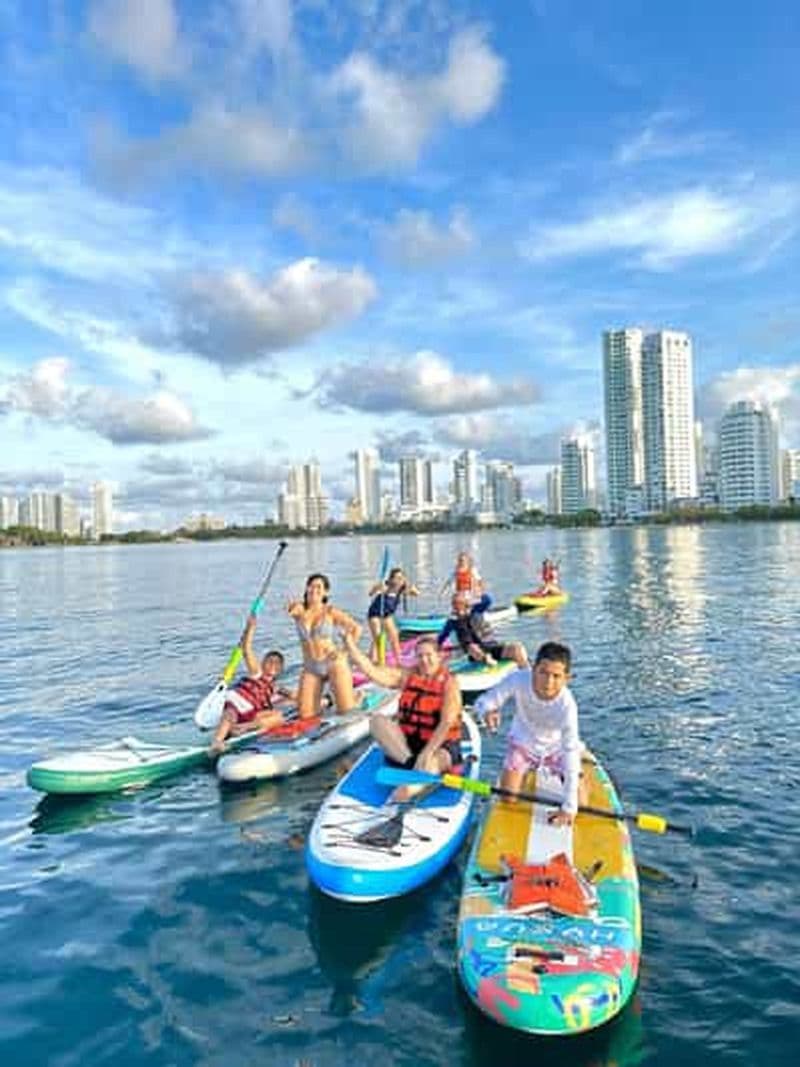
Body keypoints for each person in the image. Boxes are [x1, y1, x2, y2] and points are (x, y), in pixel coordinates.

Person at [473, 641, 585, 826]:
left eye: (556, 676)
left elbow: (569, 753)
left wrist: (569, 809)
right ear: (533, 669)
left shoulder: (567, 706)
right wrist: (487, 711)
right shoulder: (518, 679)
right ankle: (523, 771)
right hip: (523, 743)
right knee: (508, 798)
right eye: (543, 673)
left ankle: (579, 765)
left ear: (567, 679)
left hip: (557, 748)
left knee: (581, 803)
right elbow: (483, 701)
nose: (548, 682)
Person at [344, 632, 463, 799]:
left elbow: (447, 722)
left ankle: (415, 781)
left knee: (404, 791)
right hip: (410, 746)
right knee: (377, 721)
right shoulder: (407, 676)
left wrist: (427, 753)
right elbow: (372, 671)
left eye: (429, 655)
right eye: (420, 656)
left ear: (439, 656)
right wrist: (350, 645)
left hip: (441, 746)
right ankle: (411, 766)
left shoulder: (450, 683)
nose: (424, 660)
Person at [209, 615, 293, 754]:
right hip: (236, 705)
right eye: (270, 661)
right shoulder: (257, 673)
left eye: (277, 663)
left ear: (280, 670)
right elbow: (246, 649)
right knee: (229, 714)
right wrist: (250, 628)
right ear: (262, 663)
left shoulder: (276, 688)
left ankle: (243, 728)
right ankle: (217, 742)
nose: (273, 664)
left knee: (279, 717)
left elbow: (295, 697)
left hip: (251, 715)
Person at [288, 573, 361, 718]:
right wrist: (293, 608)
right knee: (305, 715)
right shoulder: (300, 610)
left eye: (319, 587)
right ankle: (328, 700)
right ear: (306, 588)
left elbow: (356, 628)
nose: (314, 590)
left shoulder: (330, 611)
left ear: (325, 592)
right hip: (311, 667)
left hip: (332, 662)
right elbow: (291, 610)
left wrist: (345, 652)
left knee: (346, 712)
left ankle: (355, 698)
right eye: (311, 586)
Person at [438, 591, 528, 668]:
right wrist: (438, 648)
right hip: (476, 652)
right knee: (472, 647)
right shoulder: (452, 621)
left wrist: (476, 595)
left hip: (491, 647)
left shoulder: (476, 611)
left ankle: (526, 670)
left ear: (466, 603)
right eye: (455, 603)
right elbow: (442, 637)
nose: (457, 606)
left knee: (517, 648)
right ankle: (486, 659)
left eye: (460, 603)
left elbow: (488, 600)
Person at [366, 566, 419, 663]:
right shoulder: (385, 588)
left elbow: (417, 593)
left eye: (401, 578)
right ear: (391, 579)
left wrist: (409, 586)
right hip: (375, 615)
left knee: (394, 637)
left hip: (387, 615)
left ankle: (399, 660)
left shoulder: (402, 590)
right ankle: (375, 660)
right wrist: (376, 588)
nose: (399, 581)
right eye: (397, 578)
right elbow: (370, 593)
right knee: (377, 638)